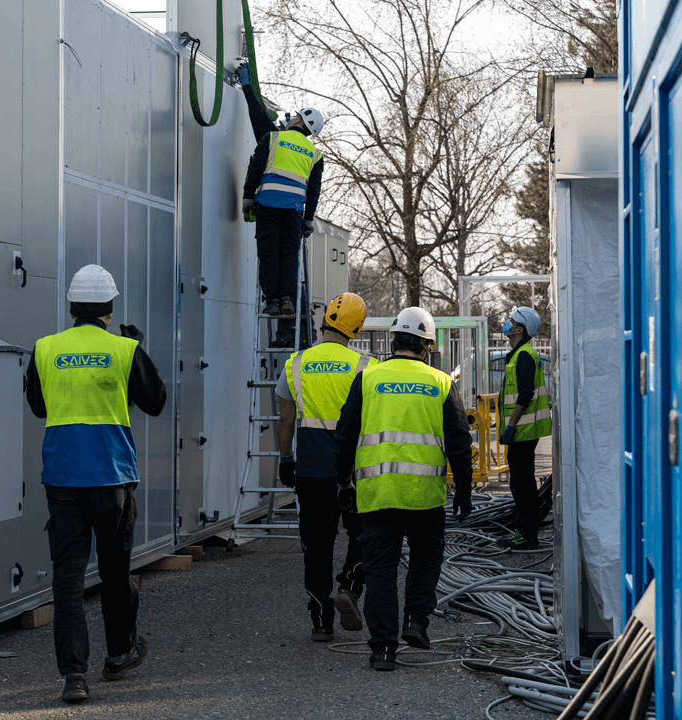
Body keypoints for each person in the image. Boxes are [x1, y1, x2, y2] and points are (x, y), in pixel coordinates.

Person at [25, 264, 167, 703]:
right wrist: (136, 350)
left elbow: (37, 405)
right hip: (112, 477)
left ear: (71, 307)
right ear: (109, 308)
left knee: (68, 579)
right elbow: (156, 402)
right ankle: (119, 653)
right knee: (114, 570)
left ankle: (74, 676)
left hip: (64, 476)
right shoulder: (124, 350)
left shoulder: (45, 349)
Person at [333, 307, 474, 671]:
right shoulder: (441, 382)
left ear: (392, 340)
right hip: (424, 495)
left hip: (377, 494)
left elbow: (346, 435)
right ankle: (417, 623)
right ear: (428, 345)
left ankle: (383, 649)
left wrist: (343, 482)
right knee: (426, 558)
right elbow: (459, 441)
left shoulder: (368, 378)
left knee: (380, 568)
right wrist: (464, 490)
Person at [276, 293, 376, 641]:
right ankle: (349, 586)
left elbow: (286, 417)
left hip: (311, 471)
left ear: (323, 320)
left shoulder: (297, 363)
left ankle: (320, 621)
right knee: (364, 535)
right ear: (357, 327)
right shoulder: (367, 366)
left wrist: (285, 457)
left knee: (316, 547)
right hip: (353, 474)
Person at [239, 63, 324, 347]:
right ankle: (287, 298)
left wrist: (247, 197)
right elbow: (314, 190)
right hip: (295, 211)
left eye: (294, 116)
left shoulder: (273, 138)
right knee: (289, 255)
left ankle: (272, 300)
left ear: (299, 121)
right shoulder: (315, 154)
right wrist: (309, 219)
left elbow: (256, 169)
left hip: (268, 204)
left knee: (268, 251)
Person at [496, 306, 552, 549]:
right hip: (521, 432)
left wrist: (511, 425)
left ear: (520, 328)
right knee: (521, 483)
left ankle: (526, 535)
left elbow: (525, 394)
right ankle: (525, 531)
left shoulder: (525, 356)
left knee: (522, 485)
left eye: (511, 320)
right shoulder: (521, 354)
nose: (507, 323)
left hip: (522, 432)